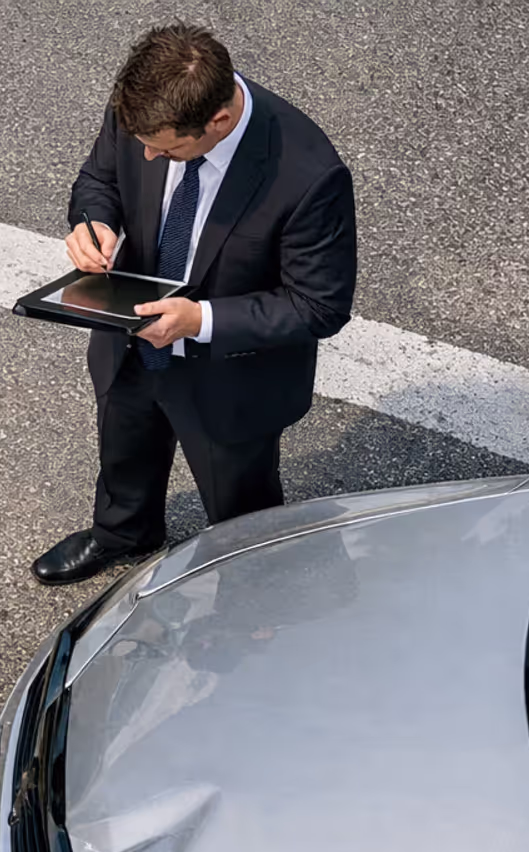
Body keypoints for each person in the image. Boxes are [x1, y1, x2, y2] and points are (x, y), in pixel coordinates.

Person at [31, 25, 358, 585]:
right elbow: (98, 180)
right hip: (129, 336)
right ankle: (124, 534)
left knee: (239, 497)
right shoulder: (143, 113)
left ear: (219, 122)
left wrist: (198, 321)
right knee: (125, 438)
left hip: (229, 376)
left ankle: (253, 582)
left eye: (168, 148)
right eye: (143, 144)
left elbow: (318, 306)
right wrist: (95, 223)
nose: (151, 155)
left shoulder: (308, 176)